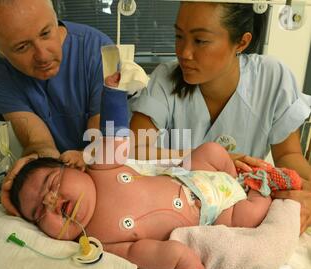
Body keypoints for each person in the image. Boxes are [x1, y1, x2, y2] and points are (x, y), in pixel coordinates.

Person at [6, 83, 282, 269]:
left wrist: (113, 92)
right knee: (246, 217)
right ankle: (259, 188)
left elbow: (114, 134)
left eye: (52, 184)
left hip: (190, 177)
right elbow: (136, 252)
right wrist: (178, 257)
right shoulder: (97, 239)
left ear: (74, 166)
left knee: (212, 150)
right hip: (209, 213)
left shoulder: (101, 169)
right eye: (39, 211)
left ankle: (240, 178)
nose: (51, 201)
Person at [128, 2, 311, 232]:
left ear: (241, 42)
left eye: (200, 41)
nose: (183, 52)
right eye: (179, 36)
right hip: (172, 210)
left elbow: (289, 155)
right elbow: (131, 150)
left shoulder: (271, 78)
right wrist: (207, 160)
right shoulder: (165, 79)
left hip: (237, 216)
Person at [0, 0, 113, 162]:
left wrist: (84, 158)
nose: (43, 56)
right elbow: (39, 143)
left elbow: (103, 142)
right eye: (22, 47)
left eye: (45, 33)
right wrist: (41, 165)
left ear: (55, 17)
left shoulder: (100, 50)